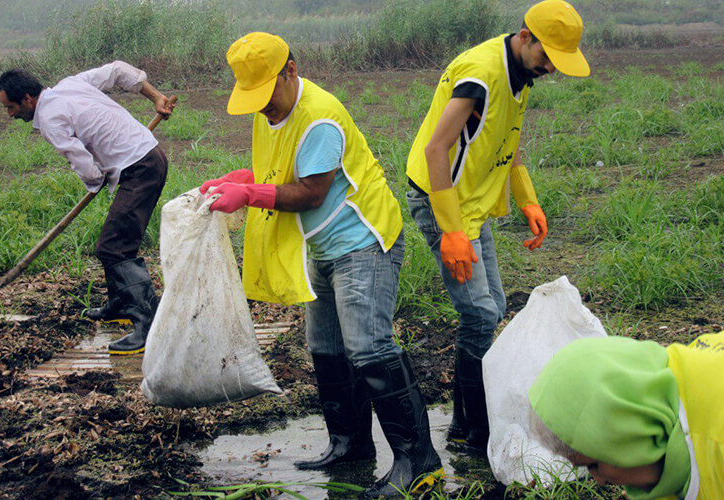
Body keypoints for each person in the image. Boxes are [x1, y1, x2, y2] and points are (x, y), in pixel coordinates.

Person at [200, 32, 442, 497]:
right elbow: (281, 173)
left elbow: (311, 191)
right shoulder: (269, 114)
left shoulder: (319, 116)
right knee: (326, 346)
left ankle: (420, 462)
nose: (263, 106)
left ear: (291, 69)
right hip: (322, 245)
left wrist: (250, 195)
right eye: (253, 97)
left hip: (362, 242)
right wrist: (244, 179)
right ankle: (349, 445)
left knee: (369, 348)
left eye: (267, 94)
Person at [404, 0, 590, 454]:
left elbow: (509, 140)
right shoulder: (480, 74)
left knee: (493, 306)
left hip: (471, 203)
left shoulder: (521, 74)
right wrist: (450, 230)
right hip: (441, 199)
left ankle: (464, 423)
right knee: (481, 314)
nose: (551, 68)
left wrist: (527, 198)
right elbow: (435, 151)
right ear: (525, 37)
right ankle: (473, 433)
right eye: (547, 57)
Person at [0, 61, 174, 356]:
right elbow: (117, 70)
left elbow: (80, 160)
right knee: (112, 241)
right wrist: (154, 96)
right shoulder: (71, 83)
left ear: (27, 98)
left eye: (10, 107)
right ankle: (119, 303)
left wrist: (94, 180)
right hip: (147, 156)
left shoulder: (50, 119)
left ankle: (149, 326)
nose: (11, 115)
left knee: (113, 248)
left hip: (139, 167)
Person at [529, 333, 724, 498]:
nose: (599, 480)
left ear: (623, 429)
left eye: (594, 465)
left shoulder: (718, 437)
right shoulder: (663, 389)